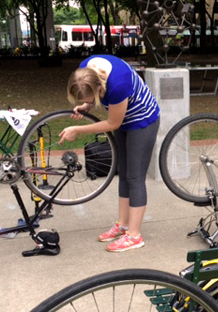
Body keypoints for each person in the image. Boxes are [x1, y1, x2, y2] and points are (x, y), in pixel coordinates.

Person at [59, 54, 160, 252]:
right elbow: (111, 116)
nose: (88, 102)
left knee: (134, 177)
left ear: (99, 88)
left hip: (142, 121)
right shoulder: (85, 71)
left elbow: (113, 123)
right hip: (122, 118)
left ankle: (134, 236)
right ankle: (123, 225)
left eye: (90, 99)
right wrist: (86, 105)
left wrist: (77, 129)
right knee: (123, 173)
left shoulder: (118, 83)